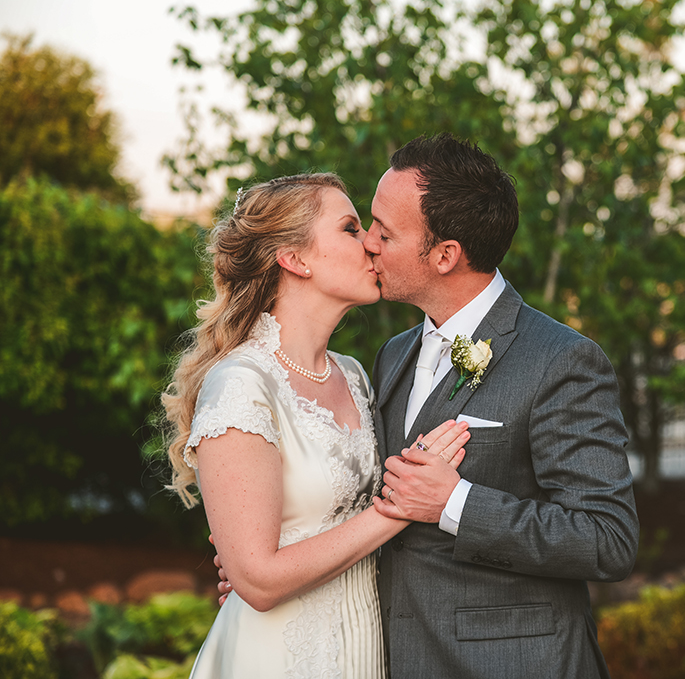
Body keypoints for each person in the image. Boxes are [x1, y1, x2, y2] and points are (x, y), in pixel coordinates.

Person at [161, 172, 470, 678]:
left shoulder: (354, 375)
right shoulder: (242, 382)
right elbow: (258, 581)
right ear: (295, 258)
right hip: (279, 654)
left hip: (364, 645)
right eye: (350, 228)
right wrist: (404, 506)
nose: (371, 242)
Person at [364, 134, 639, 678]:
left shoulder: (562, 360)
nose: (367, 243)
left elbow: (608, 539)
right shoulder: (393, 355)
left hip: (514, 662)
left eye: (384, 231)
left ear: (445, 255)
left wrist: (454, 503)